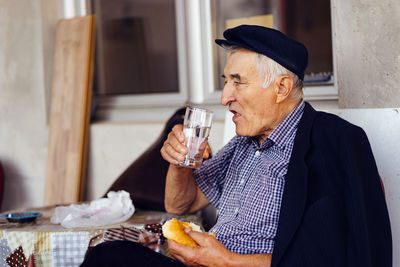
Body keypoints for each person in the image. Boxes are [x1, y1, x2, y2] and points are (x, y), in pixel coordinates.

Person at [81, 25, 392, 267]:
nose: (224, 96)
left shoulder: (332, 142)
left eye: (237, 81)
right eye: (225, 80)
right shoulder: (243, 144)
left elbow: (332, 259)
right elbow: (182, 204)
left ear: (281, 88)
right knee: (109, 256)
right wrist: (179, 164)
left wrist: (226, 261)